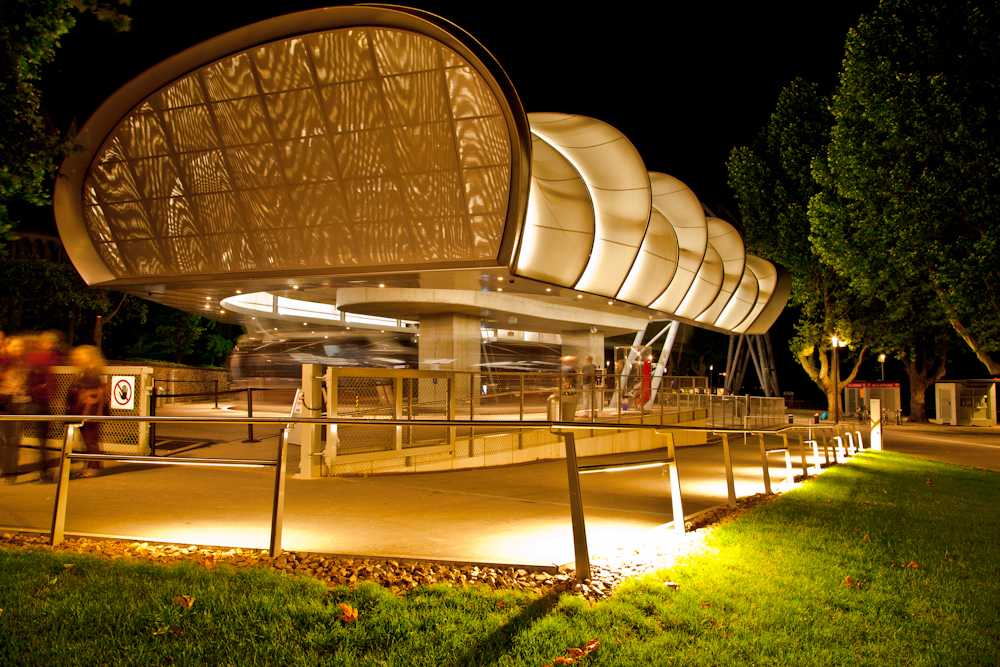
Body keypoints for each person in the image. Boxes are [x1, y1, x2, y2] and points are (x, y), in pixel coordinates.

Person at [67, 345, 108, 478]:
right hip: (82, 410)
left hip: (90, 411)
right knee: (86, 439)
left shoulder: (96, 372)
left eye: (80, 355)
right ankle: (89, 465)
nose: (76, 358)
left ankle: (94, 467)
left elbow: (102, 390)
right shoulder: (84, 371)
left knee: (90, 439)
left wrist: (93, 397)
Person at [0, 336, 30, 483]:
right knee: (5, 437)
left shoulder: (23, 362)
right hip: (5, 402)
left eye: (20, 346)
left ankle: (10, 469)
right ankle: (6, 467)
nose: (18, 349)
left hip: (19, 401)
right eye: (15, 346)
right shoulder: (4, 361)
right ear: (7, 347)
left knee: (14, 438)